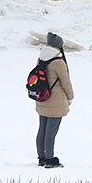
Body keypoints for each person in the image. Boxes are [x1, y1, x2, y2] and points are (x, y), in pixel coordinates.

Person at [35, 32, 74, 168]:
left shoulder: (41, 58)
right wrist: (70, 97)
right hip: (56, 102)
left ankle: (41, 157)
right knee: (51, 133)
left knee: (42, 130)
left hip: (42, 98)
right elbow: (66, 83)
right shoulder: (58, 62)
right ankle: (50, 159)